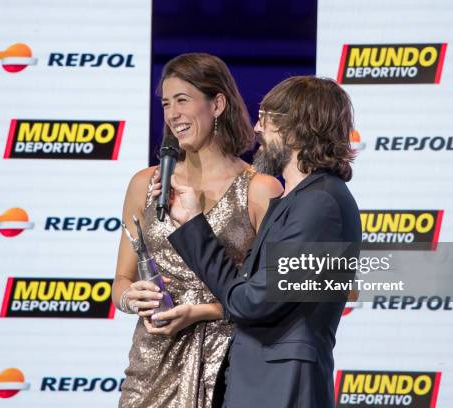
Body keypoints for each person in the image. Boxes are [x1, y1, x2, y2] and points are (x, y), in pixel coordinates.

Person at [156, 76, 361, 407]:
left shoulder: (320, 204)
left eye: (265, 119)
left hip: (283, 387)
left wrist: (195, 225)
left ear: (295, 128)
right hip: (262, 382)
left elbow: (252, 303)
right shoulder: (301, 199)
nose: (255, 129)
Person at [112, 53, 283, 408]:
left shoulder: (260, 189)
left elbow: (269, 296)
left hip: (226, 362)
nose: (173, 114)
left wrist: (200, 310)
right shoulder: (145, 184)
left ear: (217, 104)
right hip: (152, 362)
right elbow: (121, 281)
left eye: (183, 100)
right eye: (166, 103)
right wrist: (131, 298)